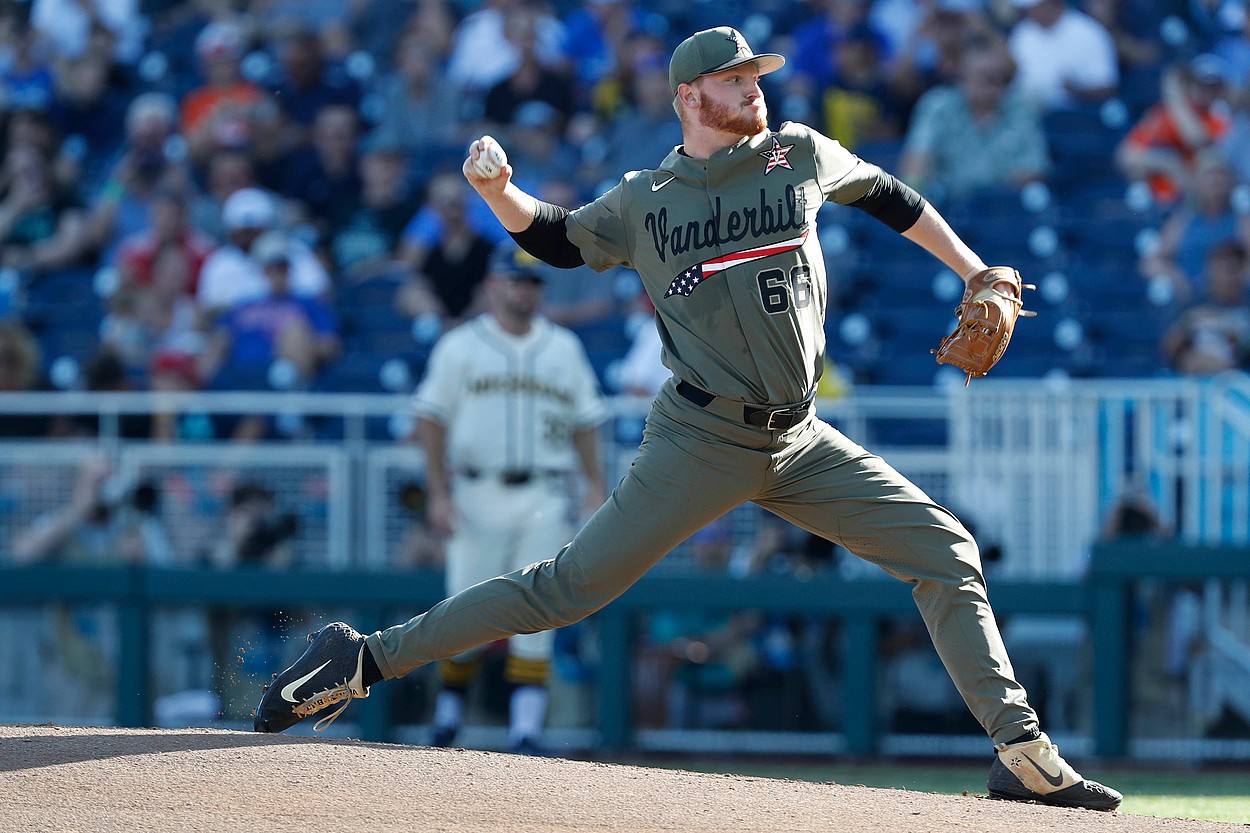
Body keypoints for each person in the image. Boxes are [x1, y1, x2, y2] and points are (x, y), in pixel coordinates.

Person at [253, 26, 1122, 813]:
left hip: (800, 437)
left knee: (946, 549)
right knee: (565, 588)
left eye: (755, 76)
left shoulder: (797, 152)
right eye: (734, 79)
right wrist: (500, 192)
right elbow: (556, 238)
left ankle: (1020, 749)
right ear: (689, 96)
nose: (753, 88)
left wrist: (975, 270)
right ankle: (362, 657)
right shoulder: (647, 197)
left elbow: (890, 194)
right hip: (701, 436)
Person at [411, 243, 608, 754]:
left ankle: (526, 732)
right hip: (476, 492)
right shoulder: (461, 346)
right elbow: (430, 418)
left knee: (537, 609)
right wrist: (438, 492)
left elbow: (586, 421)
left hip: (543, 493)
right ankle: (447, 720)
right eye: (515, 281)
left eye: (532, 283)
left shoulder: (562, 347)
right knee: (463, 610)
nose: (523, 291)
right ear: (493, 285)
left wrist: (594, 483)